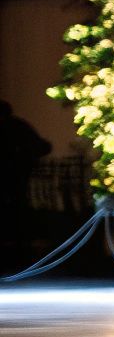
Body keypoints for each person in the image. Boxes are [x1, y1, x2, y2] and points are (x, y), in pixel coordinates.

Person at [0, 100, 53, 267]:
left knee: (15, 211)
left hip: (14, 176)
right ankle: (21, 252)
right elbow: (43, 146)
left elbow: (42, 147)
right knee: (19, 212)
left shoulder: (17, 127)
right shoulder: (18, 126)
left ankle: (17, 252)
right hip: (18, 177)